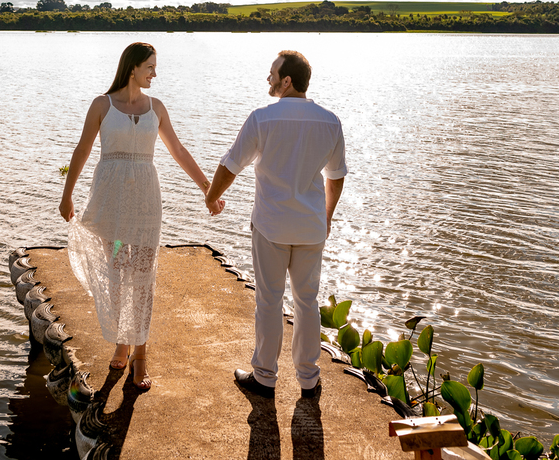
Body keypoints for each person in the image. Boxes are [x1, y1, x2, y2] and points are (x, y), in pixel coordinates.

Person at [60, 42, 210, 390]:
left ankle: (140, 356)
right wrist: (67, 194)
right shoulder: (102, 105)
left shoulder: (156, 108)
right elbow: (82, 149)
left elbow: (178, 150)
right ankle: (122, 341)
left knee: (143, 278)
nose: (155, 74)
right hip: (110, 204)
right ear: (132, 69)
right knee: (116, 272)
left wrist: (207, 188)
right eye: (150, 67)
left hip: (145, 203)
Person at [204, 50, 346, 399]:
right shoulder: (330, 122)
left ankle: (265, 377)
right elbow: (337, 176)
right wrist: (326, 216)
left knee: (269, 300)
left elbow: (231, 164)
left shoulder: (262, 119)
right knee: (307, 301)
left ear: (287, 80)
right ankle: (309, 379)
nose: (268, 79)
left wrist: (211, 196)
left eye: (272, 74)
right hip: (311, 226)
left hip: (271, 226)